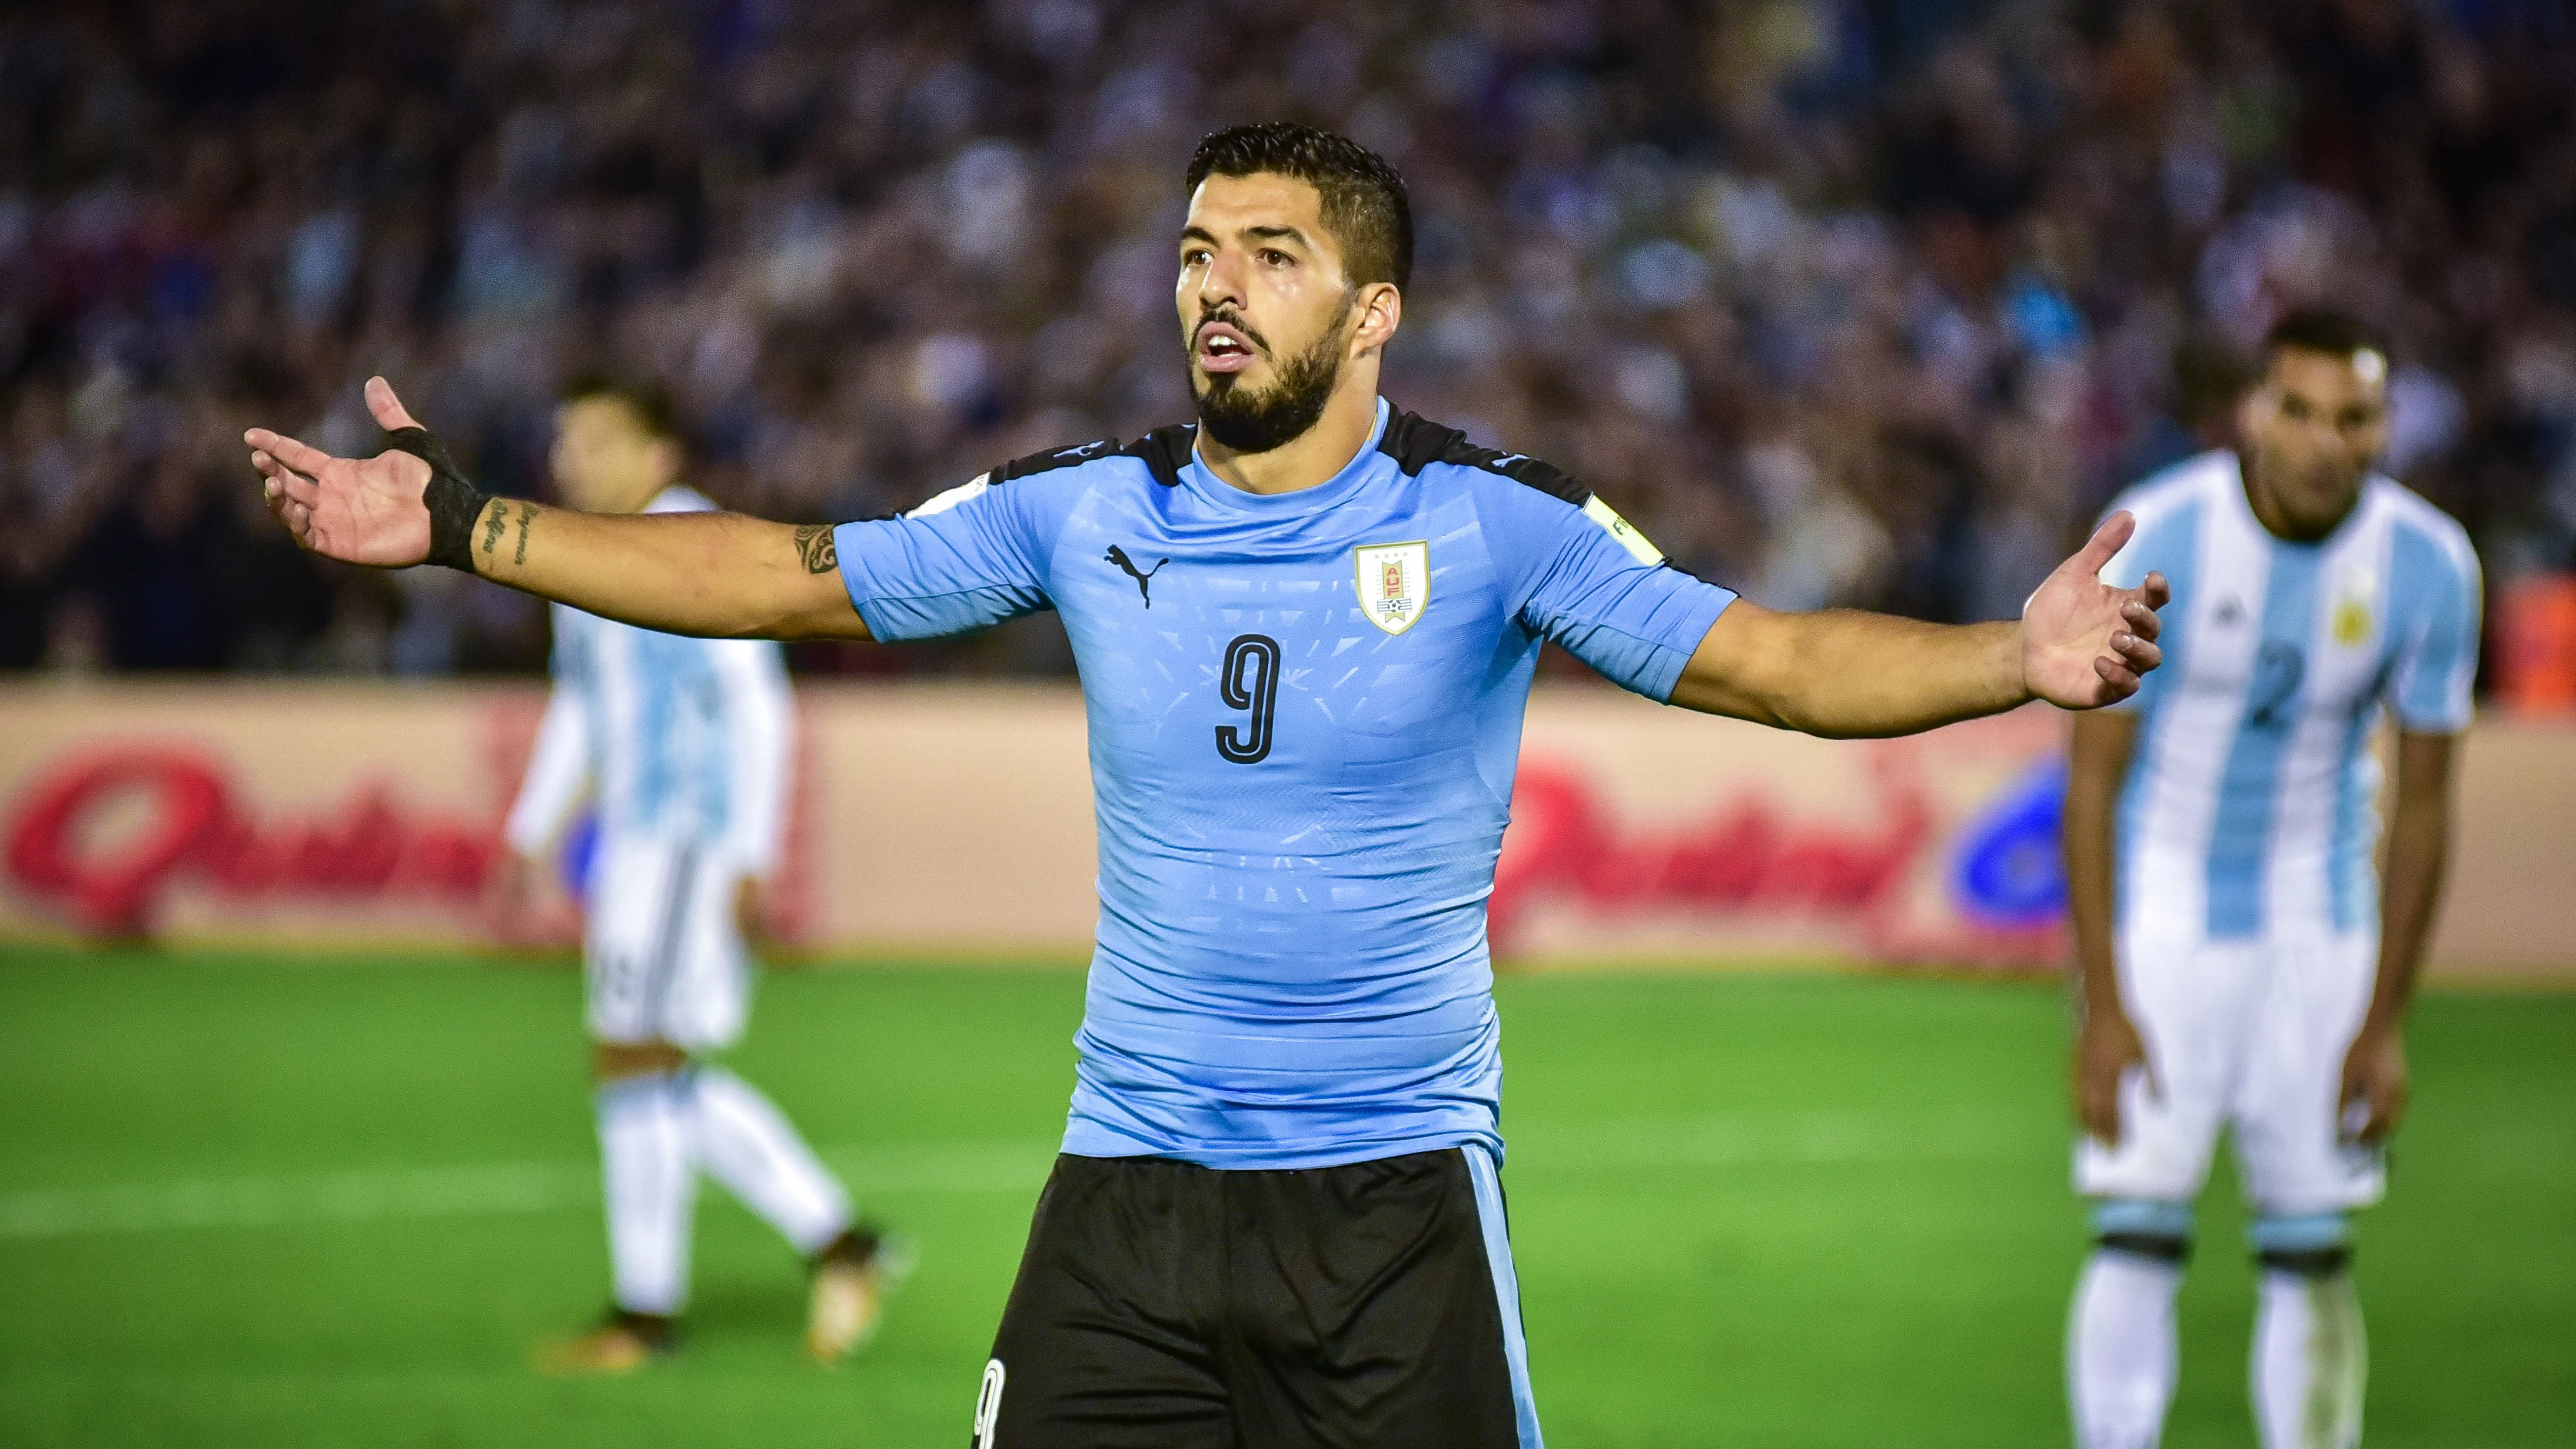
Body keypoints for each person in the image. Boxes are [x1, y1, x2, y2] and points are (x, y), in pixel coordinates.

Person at [247, 123, 2165, 1446]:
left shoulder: (1492, 525)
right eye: (1191, 254)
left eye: (1268, 256)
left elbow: (1769, 659)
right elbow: (777, 570)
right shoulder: (1082, 512)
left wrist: (2015, 656)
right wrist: (470, 529)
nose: (1214, 291)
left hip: (1396, 1205)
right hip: (1128, 1199)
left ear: (1374, 308)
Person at [2061, 310, 2479, 1449]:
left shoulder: (2430, 563)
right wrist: (2101, 1002)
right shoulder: (2165, 534)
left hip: (2321, 925)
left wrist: (2385, 1019)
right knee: (2134, 1234)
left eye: (2354, 416)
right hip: (2163, 918)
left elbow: (2430, 803)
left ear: (2384, 425)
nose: (2323, 441)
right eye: (2298, 410)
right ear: (2254, 408)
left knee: (2311, 1250)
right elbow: (2092, 783)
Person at [497, 374, 900, 1373]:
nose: (571, 460)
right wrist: (529, 828)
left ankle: (668, 1306)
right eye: (564, 440)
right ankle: (827, 1248)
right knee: (641, 1066)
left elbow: (757, 704)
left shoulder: (696, 545)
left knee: (640, 1060)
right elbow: (581, 704)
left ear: (659, 454)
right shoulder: (580, 551)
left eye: (594, 440)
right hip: (635, 841)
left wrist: (753, 853)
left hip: (688, 836)